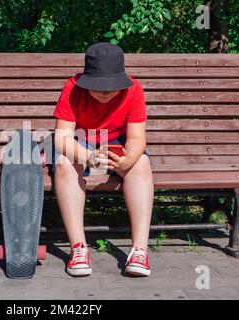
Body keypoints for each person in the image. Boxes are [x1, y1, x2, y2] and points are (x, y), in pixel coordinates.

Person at [51, 42, 154, 277]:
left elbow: (137, 138)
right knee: (65, 164)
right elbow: (62, 137)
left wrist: (128, 160)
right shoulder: (73, 87)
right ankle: (79, 248)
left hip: (116, 141)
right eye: (98, 86)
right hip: (80, 140)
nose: (105, 92)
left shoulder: (134, 90)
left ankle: (140, 250)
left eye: (112, 86)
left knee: (142, 163)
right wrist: (87, 156)